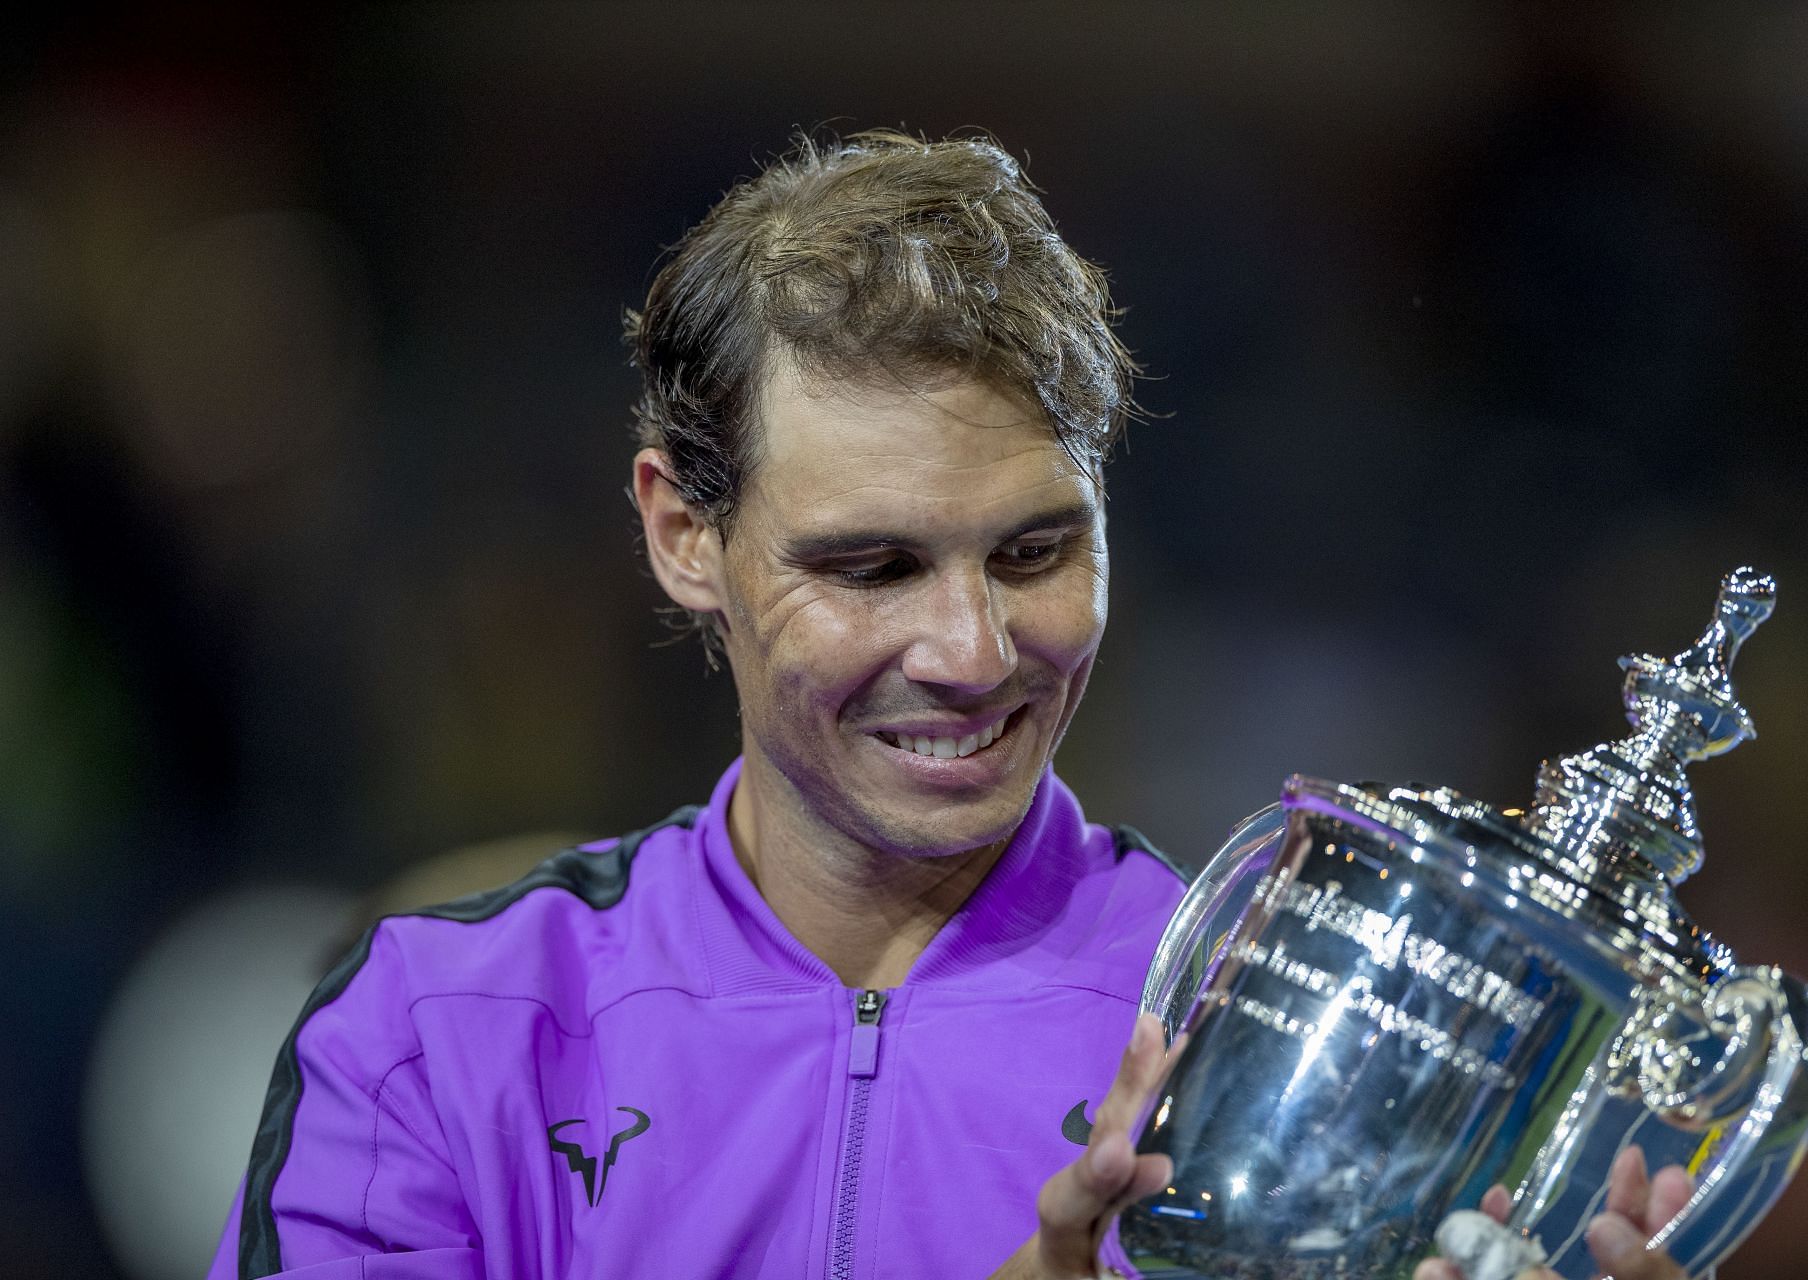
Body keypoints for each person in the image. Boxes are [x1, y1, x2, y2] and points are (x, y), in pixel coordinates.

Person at [207, 130, 1694, 1280]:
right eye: (873, 565)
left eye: (1036, 551)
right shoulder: (440, 1029)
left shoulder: (1276, 1048)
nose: (974, 652)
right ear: (681, 537)